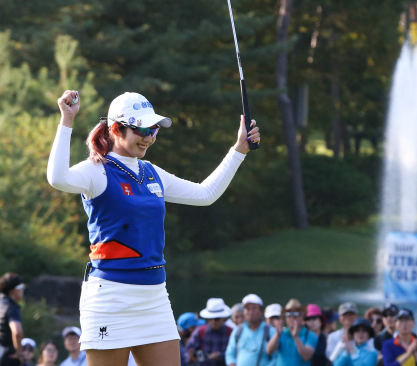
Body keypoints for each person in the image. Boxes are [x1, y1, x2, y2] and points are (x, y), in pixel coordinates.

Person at [46, 90, 260, 366]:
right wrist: (67, 120)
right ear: (115, 129)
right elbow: (57, 178)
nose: (149, 137)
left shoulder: (151, 172)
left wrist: (238, 150)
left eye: (154, 129)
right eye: (142, 129)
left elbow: (205, 194)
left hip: (154, 296)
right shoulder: (96, 170)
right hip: (110, 298)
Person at [225, 294, 274, 366]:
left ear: (261, 311)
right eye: (247, 309)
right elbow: (230, 354)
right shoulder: (238, 330)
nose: (250, 312)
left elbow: (276, 358)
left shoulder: (270, 331)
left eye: (254, 308)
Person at [266, 299, 317, 366]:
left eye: (296, 313)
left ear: (302, 316)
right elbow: (269, 351)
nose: (292, 317)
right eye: (289, 314)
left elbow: (307, 356)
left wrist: (296, 337)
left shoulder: (310, 335)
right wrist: (277, 335)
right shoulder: (281, 334)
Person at [187, 298, 233, 366]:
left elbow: (237, 354)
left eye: (217, 319)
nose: (213, 322)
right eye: (210, 319)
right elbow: (188, 352)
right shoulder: (200, 331)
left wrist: (220, 356)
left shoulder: (231, 332)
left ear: (224, 318)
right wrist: (191, 356)